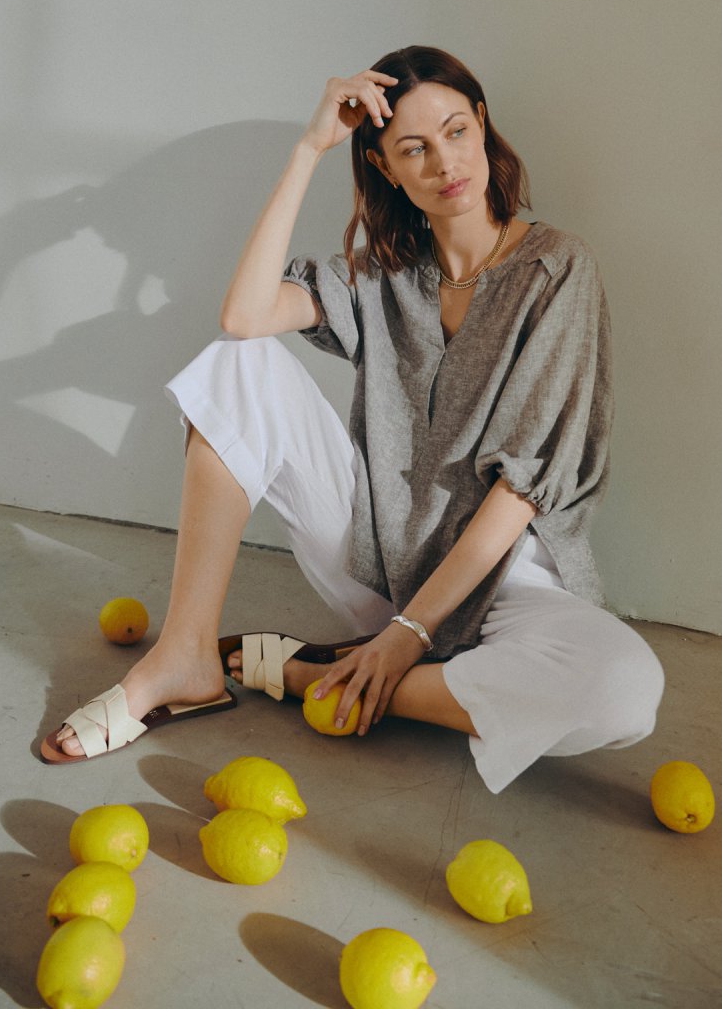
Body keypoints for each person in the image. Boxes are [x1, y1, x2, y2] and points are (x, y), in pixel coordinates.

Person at [41, 46, 664, 793]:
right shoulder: (381, 274)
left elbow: (523, 487)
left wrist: (406, 637)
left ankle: (321, 675)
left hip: (507, 580)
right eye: (414, 148)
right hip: (380, 556)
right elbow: (243, 317)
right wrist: (309, 149)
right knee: (238, 361)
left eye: (456, 131)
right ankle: (183, 657)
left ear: (482, 124)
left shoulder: (558, 268)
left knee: (624, 690)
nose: (445, 162)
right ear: (385, 167)